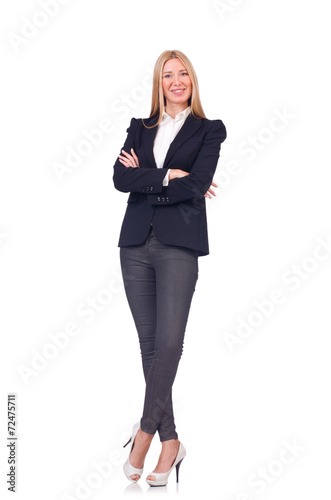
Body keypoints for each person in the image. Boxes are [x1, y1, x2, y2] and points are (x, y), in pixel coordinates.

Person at [113, 49, 227, 487]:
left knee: (171, 342)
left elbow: (198, 185)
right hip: (135, 244)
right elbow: (120, 179)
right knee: (149, 345)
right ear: (158, 83)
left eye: (182, 74)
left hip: (179, 244)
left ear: (192, 80)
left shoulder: (208, 129)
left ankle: (145, 434)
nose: (176, 82)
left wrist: (156, 177)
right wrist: (166, 176)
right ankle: (173, 440)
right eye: (167, 76)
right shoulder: (139, 128)